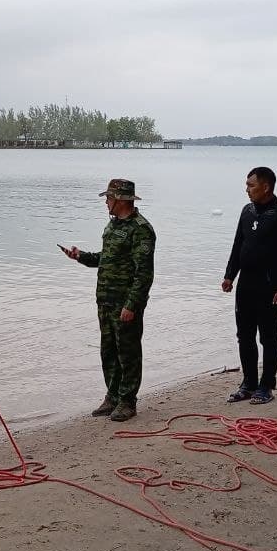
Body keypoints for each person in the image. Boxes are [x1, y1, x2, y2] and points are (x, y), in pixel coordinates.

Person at [61, 178, 157, 422]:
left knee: (128, 352)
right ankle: (112, 396)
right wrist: (81, 256)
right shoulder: (113, 225)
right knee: (108, 351)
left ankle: (127, 401)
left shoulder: (141, 229)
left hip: (124, 303)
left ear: (121, 200)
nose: (106, 202)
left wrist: (131, 305)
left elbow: (144, 274)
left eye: (109, 198)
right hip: (105, 300)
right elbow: (106, 257)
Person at [222, 167, 277, 405]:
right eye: (247, 185)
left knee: (268, 336)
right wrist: (230, 275)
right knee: (244, 335)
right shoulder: (247, 211)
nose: (247, 189)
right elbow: (238, 243)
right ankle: (248, 383)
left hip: (269, 285)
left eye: (251, 185)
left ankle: (266, 385)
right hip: (246, 283)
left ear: (266, 187)